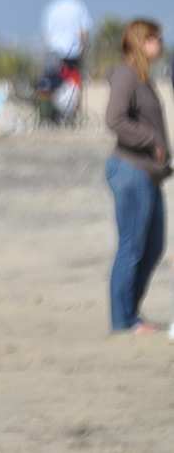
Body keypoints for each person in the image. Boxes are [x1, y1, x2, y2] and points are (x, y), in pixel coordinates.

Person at [103, 20, 171, 334]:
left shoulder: (143, 77)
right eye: (155, 38)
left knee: (154, 245)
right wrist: (151, 141)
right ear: (141, 41)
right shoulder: (126, 75)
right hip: (131, 170)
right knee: (131, 245)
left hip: (148, 174)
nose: (161, 43)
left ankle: (133, 313)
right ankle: (123, 320)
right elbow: (115, 119)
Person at [41, 0, 92, 69]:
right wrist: (84, 49)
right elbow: (84, 32)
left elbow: (46, 33)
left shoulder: (52, 7)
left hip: (55, 52)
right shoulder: (79, 6)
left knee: (55, 79)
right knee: (73, 80)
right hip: (73, 53)